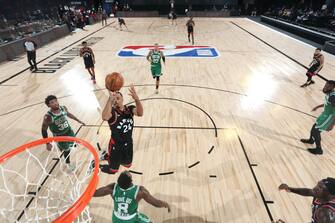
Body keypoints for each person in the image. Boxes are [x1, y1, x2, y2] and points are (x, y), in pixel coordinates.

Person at [94, 171, 170, 223]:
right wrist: (165, 204)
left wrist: (86, 193)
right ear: (131, 181)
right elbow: (155, 203)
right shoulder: (139, 191)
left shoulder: (112, 188)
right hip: (130, 218)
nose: (126, 171)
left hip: (116, 218)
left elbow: (95, 193)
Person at [100, 86, 143, 174]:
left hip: (128, 144)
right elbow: (104, 117)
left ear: (123, 99)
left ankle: (106, 156)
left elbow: (140, 113)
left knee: (127, 165)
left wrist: (137, 99)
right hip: (116, 147)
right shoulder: (113, 113)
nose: (116, 100)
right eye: (114, 100)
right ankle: (95, 165)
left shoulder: (130, 109)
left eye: (118, 98)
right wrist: (110, 100)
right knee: (113, 171)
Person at [41, 95, 85, 171]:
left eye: (56, 101)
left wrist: (78, 120)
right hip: (59, 136)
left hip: (69, 131)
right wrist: (47, 143)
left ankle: (65, 147)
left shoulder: (63, 108)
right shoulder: (48, 117)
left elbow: (68, 114)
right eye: (52, 102)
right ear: (48, 105)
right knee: (67, 150)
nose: (55, 103)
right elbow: (43, 130)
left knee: (73, 144)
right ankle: (68, 163)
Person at [300, 80, 335, 155]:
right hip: (325, 115)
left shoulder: (333, 97)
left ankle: (319, 150)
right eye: (326, 85)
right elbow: (327, 103)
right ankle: (311, 140)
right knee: (314, 127)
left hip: (329, 117)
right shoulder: (330, 94)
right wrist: (318, 106)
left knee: (316, 131)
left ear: (333, 87)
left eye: (328, 86)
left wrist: (332, 124)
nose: (325, 87)